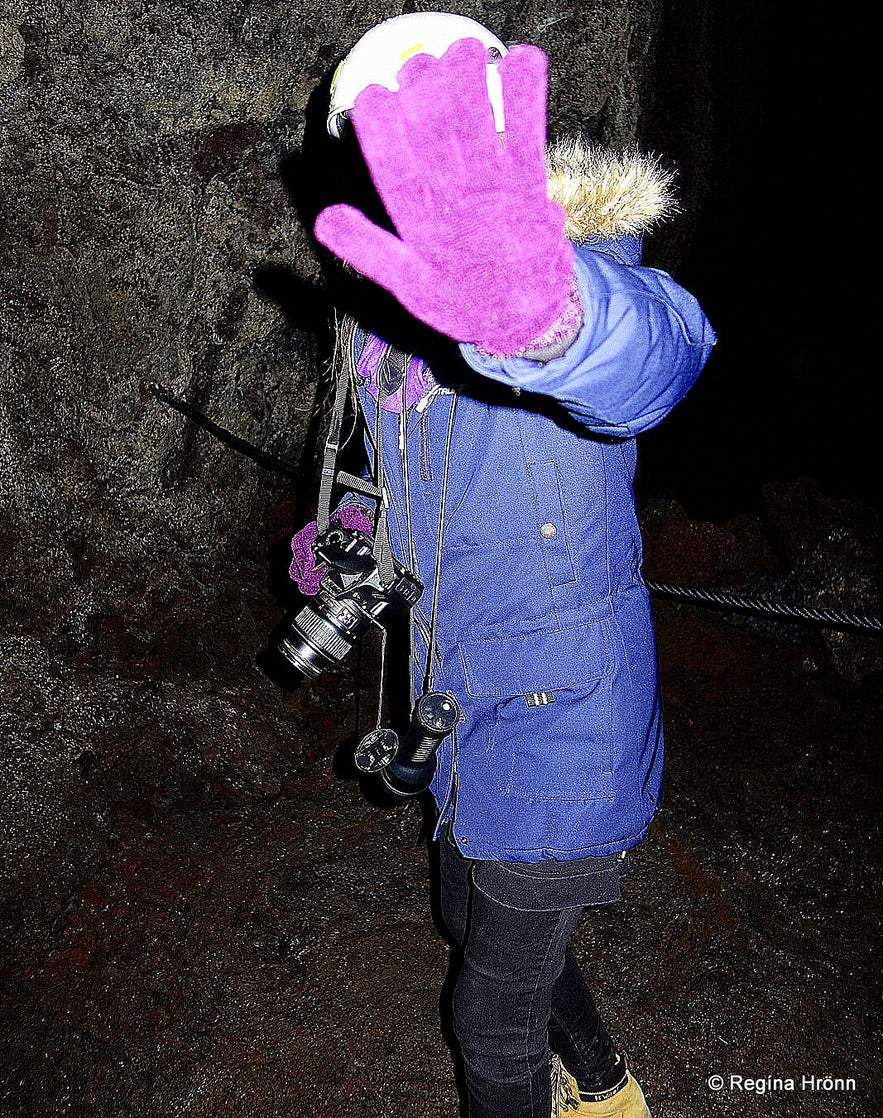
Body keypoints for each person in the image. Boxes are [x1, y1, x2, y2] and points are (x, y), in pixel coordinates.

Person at [288, 13, 716, 1118]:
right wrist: (343, 543)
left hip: (563, 704)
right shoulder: (388, 325)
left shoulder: (564, 272)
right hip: (457, 694)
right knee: (467, 919)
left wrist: (552, 323)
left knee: (489, 1016)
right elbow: (402, 491)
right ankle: (611, 1088)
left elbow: (658, 356)